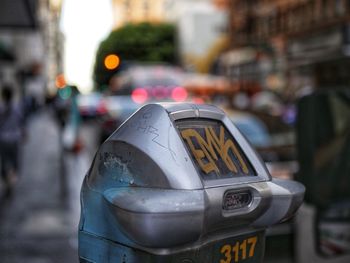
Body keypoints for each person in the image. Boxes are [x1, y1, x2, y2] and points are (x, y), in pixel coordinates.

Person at [0, 84, 24, 198]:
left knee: (5, 162)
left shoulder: (1, 108)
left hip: (3, 139)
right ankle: (12, 179)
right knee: (15, 162)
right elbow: (21, 122)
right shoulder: (16, 107)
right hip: (14, 139)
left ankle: (6, 180)